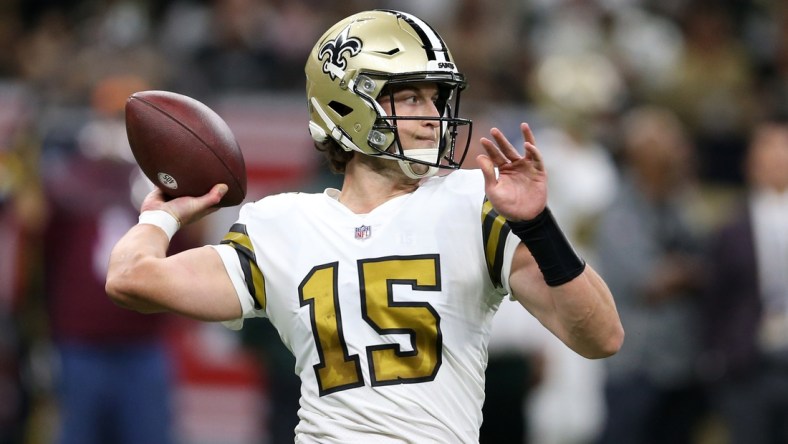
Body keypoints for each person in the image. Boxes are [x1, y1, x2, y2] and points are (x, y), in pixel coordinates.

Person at [105, 9, 624, 443]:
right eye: (412, 97)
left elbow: (600, 337)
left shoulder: (472, 203)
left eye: (437, 99)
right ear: (347, 105)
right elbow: (129, 278)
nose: (433, 116)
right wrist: (164, 212)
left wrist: (539, 226)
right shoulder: (281, 223)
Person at [593, 106, 707, 444]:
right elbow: (649, 282)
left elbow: (713, 261)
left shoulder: (681, 201)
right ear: (640, 152)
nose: (679, 151)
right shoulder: (619, 210)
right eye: (669, 142)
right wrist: (688, 270)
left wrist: (686, 269)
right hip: (637, 365)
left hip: (683, 361)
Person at [700, 119, 788, 444]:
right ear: (751, 162)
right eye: (769, 149)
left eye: (784, 148)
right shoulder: (730, 226)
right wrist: (718, 358)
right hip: (746, 363)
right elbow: (714, 297)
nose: (778, 158)